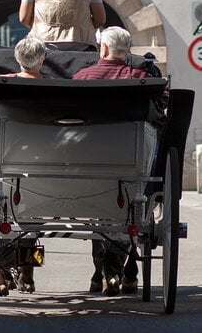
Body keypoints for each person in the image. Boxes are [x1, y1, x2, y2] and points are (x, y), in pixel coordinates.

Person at [73, 26, 146, 295]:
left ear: (102, 49)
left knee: (98, 211)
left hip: (87, 161)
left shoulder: (81, 78)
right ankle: (112, 269)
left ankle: (104, 269)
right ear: (127, 51)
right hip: (130, 159)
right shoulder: (139, 78)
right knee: (129, 208)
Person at [0, 36, 46, 296]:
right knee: (32, 219)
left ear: (16, 58)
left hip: (8, 158)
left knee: (7, 216)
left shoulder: (3, 85)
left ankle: (1, 272)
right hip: (45, 162)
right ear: (43, 60)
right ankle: (27, 276)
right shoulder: (54, 86)